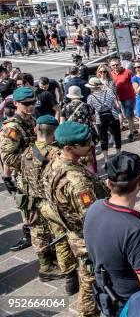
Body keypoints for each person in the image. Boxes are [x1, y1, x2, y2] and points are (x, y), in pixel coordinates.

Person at [42, 121, 108, 317]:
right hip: (84, 237)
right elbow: (93, 217)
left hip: (71, 230)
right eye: (85, 142)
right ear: (69, 148)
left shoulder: (55, 163)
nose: (90, 143)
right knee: (90, 280)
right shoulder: (76, 182)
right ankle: (88, 313)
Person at [84, 152, 140, 314]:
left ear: (108, 183)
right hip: (130, 304)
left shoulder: (94, 207)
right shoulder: (135, 230)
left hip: (105, 296)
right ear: (139, 182)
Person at [19, 115, 78, 286]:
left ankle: (45, 267)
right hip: (50, 203)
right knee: (61, 236)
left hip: (31, 200)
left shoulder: (26, 151)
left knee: (38, 234)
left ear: (37, 129)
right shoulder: (55, 153)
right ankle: (69, 275)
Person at [0, 87, 37, 251]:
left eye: (33, 103)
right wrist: (7, 176)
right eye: (26, 104)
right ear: (15, 104)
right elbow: (7, 156)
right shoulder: (12, 127)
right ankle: (30, 236)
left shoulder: (29, 119)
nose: (31, 106)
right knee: (28, 207)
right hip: (25, 174)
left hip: (36, 172)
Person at [86, 77, 122, 168]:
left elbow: (90, 110)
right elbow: (117, 105)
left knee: (103, 139)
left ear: (92, 87)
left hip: (100, 119)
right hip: (113, 116)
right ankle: (119, 155)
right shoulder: (109, 92)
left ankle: (106, 160)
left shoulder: (90, 97)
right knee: (117, 136)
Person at [110, 57, 138, 142]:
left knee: (129, 116)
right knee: (125, 115)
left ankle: (131, 134)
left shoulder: (128, 72)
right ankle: (134, 129)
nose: (115, 66)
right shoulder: (111, 74)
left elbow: (134, 82)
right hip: (118, 98)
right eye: (113, 65)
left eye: (117, 64)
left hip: (129, 97)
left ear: (120, 64)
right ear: (111, 66)